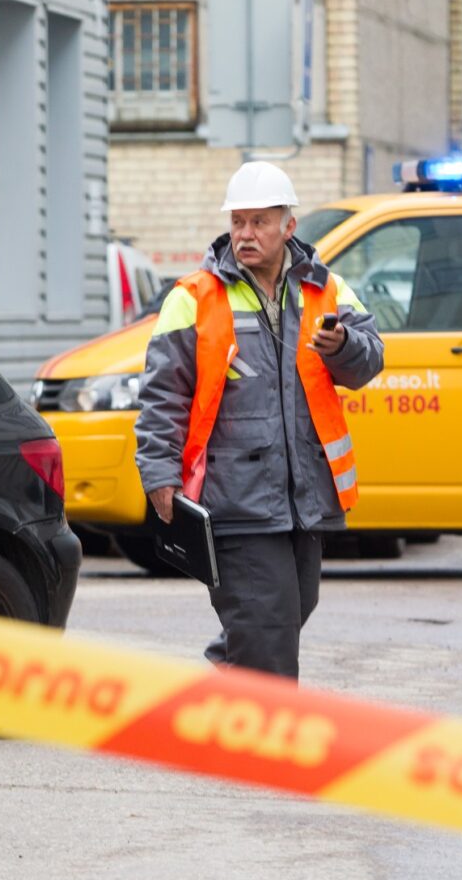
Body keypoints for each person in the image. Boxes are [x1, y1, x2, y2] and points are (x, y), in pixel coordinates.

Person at [134, 161, 384, 680]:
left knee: (286, 614)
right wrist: (159, 475)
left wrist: (343, 346)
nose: (245, 234)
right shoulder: (194, 297)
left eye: (259, 222)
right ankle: (269, 729)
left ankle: (215, 697)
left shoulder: (326, 290)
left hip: (305, 499)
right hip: (234, 500)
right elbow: (162, 396)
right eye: (238, 222)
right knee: (268, 629)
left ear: (288, 226)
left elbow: (369, 362)